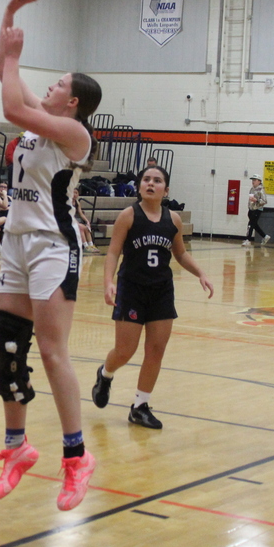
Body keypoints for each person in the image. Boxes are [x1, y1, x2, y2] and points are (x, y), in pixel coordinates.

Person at [0, 0, 103, 512]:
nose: (51, 86)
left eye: (59, 84)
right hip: (16, 242)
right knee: (9, 349)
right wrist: (10, 19)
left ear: (73, 101)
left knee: (53, 352)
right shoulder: (41, 116)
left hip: (55, 247)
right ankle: (17, 448)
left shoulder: (75, 135)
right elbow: (5, 79)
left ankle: (77, 459)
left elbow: (11, 102)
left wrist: (15, 56)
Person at [91, 165, 214, 430]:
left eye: (157, 181)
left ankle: (140, 406)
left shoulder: (174, 220)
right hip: (131, 289)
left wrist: (201, 273)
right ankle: (105, 374)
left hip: (161, 291)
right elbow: (112, 253)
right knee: (125, 351)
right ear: (139, 186)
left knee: (155, 350)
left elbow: (180, 254)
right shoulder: (128, 216)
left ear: (165, 190)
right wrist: (108, 282)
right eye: (146, 179)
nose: (150, 183)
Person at [243, 174, 270, 246]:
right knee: (254, 224)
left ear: (259, 181)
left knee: (251, 224)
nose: (253, 182)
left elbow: (264, 201)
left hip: (257, 209)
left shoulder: (261, 190)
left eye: (254, 180)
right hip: (251, 208)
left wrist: (257, 200)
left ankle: (248, 239)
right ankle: (265, 236)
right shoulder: (252, 189)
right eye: (252, 180)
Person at [71, 188, 99, 254]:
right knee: (80, 227)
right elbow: (69, 214)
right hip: (69, 219)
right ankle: (85, 246)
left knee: (86, 228)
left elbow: (80, 213)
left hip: (75, 220)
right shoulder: (68, 202)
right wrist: (76, 222)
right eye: (73, 193)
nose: (74, 195)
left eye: (76, 193)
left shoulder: (77, 202)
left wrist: (87, 221)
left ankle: (91, 245)